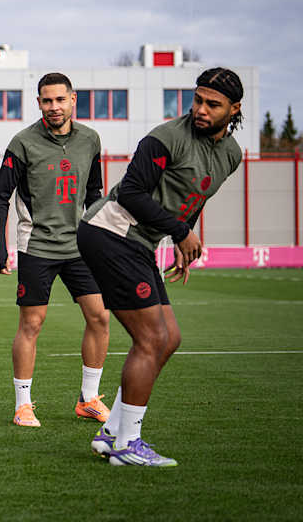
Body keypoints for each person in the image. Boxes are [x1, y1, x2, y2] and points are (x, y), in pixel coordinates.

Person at [78, 67, 244, 466]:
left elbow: (195, 197)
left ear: (234, 109)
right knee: (151, 339)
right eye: (198, 100)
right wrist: (180, 232)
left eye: (213, 104)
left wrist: (182, 239)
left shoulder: (232, 154)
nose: (201, 109)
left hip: (139, 243)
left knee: (169, 339)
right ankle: (127, 445)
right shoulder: (166, 137)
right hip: (111, 232)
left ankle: (112, 433)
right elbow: (132, 193)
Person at [0, 73, 111, 428]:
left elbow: (95, 194)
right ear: (39, 103)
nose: (54, 107)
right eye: (47, 101)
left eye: (60, 100)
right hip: (37, 246)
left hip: (80, 246)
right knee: (32, 323)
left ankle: (88, 399)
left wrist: (104, 239)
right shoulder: (22, 143)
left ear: (73, 100)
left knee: (100, 317)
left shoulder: (90, 139)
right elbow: (1, 198)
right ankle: (23, 405)